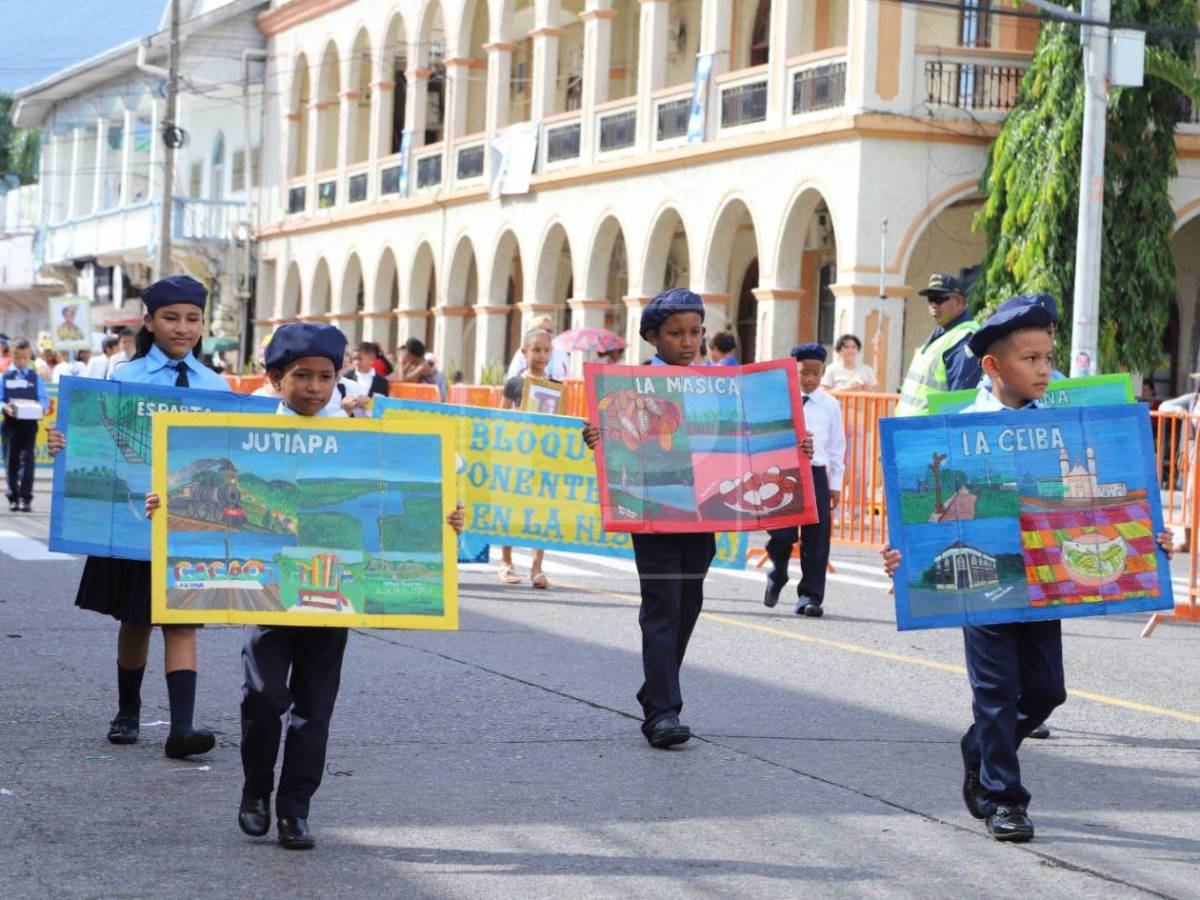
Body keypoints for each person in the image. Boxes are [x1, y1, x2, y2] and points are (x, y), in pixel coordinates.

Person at [881, 294, 1173, 843]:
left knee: (1046, 693)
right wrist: (904, 552)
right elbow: (927, 511)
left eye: (1046, 356)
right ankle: (1003, 798)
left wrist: (1151, 537)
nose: (1044, 369)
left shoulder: (1069, 427)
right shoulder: (954, 429)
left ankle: (979, 746)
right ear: (992, 367)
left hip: (1047, 580)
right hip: (989, 582)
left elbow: (1105, 502)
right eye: (1031, 359)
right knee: (996, 692)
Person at [176, 321, 463, 850]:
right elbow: (198, 487)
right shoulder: (246, 433)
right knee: (264, 698)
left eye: (325, 377)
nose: (313, 387)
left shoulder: (361, 434)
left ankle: (295, 810)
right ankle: (255, 790)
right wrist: (163, 504)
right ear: (274, 378)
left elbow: (429, 475)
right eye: (301, 376)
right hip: (269, 594)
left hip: (336, 589)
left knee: (315, 706)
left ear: (339, 378)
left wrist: (447, 515)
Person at [582, 289, 813, 749]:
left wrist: (795, 448)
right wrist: (594, 435)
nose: (688, 342)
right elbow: (608, 426)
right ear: (652, 338)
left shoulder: (720, 385)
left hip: (703, 515)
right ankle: (663, 713)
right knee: (662, 605)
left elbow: (751, 439)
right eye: (676, 334)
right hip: (654, 513)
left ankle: (656, 686)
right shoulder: (632, 382)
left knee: (687, 604)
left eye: (695, 332)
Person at [48, 275, 230, 759]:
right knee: (135, 621)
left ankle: (182, 729)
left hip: (189, 524)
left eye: (192, 319)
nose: (183, 328)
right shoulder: (123, 378)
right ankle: (127, 712)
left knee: (182, 622)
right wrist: (65, 443)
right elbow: (97, 437)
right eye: (171, 318)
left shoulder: (217, 385)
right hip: (133, 521)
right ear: (149, 321)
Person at [763, 343, 845, 616]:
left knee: (817, 538)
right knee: (782, 533)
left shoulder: (830, 405)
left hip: (817, 474)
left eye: (815, 373)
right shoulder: (781, 401)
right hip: (785, 472)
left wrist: (835, 485)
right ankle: (778, 572)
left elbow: (836, 447)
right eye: (804, 372)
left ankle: (810, 597)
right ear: (793, 371)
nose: (810, 378)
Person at [498, 329, 555, 588]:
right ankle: (506, 561)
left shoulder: (556, 386)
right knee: (511, 509)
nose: (542, 355)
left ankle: (537, 566)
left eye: (546, 350)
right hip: (517, 456)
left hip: (542, 458)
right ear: (525, 352)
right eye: (536, 350)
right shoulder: (515, 383)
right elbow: (501, 418)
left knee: (540, 511)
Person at [893, 273, 982, 416]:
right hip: (913, 430)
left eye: (940, 299)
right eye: (930, 299)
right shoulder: (944, 333)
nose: (934, 305)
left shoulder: (964, 337)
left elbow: (961, 403)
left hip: (932, 433)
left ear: (959, 301)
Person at [1, 338, 51, 512]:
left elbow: (44, 400)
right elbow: (0, 399)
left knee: (27, 460)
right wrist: (4, 407)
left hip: (29, 425)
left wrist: (41, 408)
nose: (21, 362)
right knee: (10, 460)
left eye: (24, 358)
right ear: (11, 355)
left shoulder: (35, 377)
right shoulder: (5, 376)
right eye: (17, 358)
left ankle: (25, 498)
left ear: (29, 356)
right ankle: (13, 496)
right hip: (10, 424)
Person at [506, 316, 570, 381]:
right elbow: (513, 376)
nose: (546, 334)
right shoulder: (523, 353)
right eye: (541, 330)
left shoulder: (560, 352)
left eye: (549, 331)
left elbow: (569, 375)